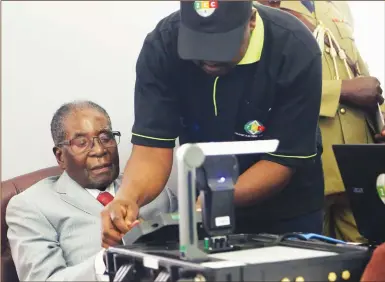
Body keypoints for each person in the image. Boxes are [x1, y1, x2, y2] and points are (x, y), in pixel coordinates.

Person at [101, 0, 325, 247]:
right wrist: (127, 199)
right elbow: (152, 149)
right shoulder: (162, 45)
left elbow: (282, 160)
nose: (209, 58)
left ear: (251, 20)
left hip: (286, 211)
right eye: (198, 44)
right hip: (207, 208)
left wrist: (213, 199)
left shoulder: (295, 48)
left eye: (221, 45)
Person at [256, 0, 385, 243]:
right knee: (315, 255)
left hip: (358, 160)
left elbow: (357, 70)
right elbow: (264, 89)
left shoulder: (335, 6)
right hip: (310, 163)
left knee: (370, 255)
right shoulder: (255, 9)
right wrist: (340, 91)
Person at [6, 101, 177, 281]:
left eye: (106, 138)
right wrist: (109, 261)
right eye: (81, 142)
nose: (100, 150)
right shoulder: (30, 206)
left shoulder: (156, 192)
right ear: (60, 157)